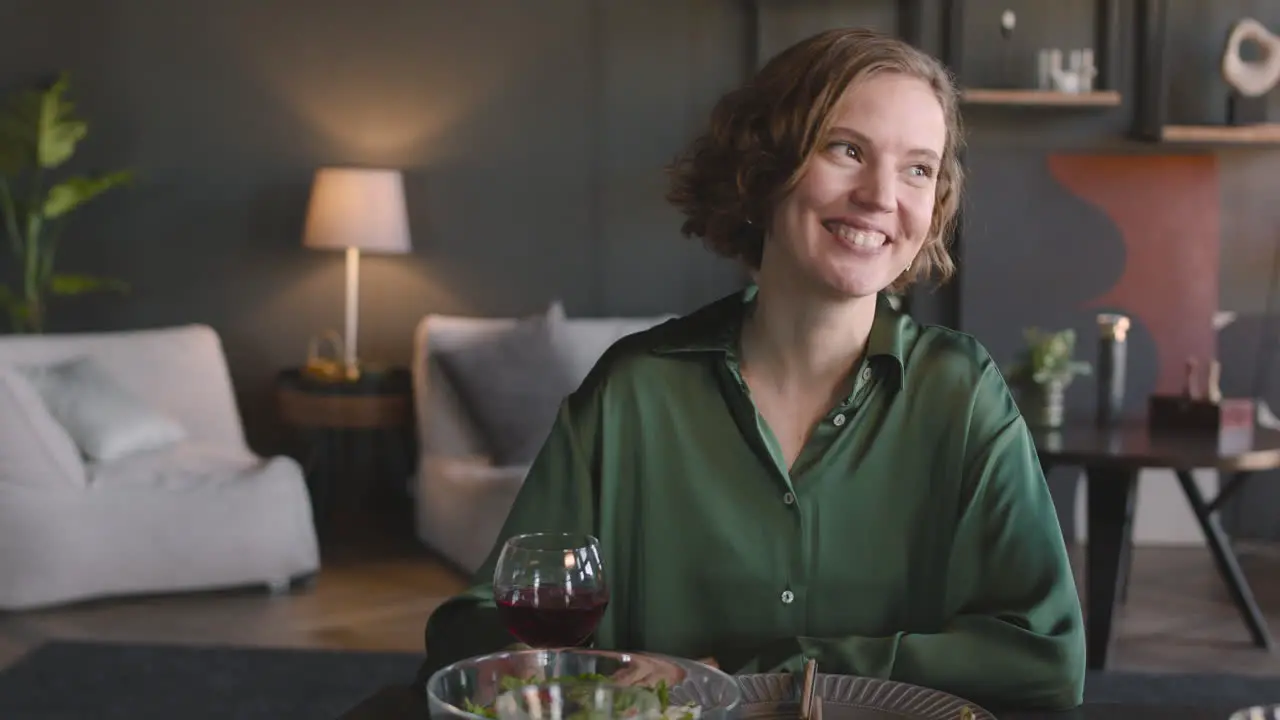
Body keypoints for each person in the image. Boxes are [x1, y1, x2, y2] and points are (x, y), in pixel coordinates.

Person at [417, 27, 1085, 711]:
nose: (882, 195)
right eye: (846, 149)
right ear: (763, 168)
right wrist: (514, 663)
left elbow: (1043, 661)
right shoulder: (633, 391)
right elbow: (480, 625)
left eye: (918, 168)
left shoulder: (961, 394)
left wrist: (770, 669)